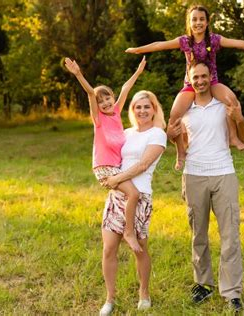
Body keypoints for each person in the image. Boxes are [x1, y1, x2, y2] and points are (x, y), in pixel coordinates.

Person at [126, 4, 244, 170]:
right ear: (189, 22)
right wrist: (138, 50)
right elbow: (159, 44)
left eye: (201, 19)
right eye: (194, 19)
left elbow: (238, 43)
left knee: (231, 99)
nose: (198, 22)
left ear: (207, 22)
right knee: (175, 115)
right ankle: (181, 152)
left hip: (211, 82)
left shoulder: (214, 40)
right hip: (190, 84)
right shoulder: (184, 41)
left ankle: (234, 138)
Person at [167, 61, 244, 312]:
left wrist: (239, 118)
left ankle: (232, 292)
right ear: (190, 81)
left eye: (204, 76)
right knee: (198, 234)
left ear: (210, 76)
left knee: (230, 235)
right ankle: (202, 284)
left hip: (224, 174)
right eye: (195, 78)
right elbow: (180, 143)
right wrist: (172, 138)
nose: (200, 81)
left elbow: (241, 138)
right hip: (194, 176)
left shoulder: (223, 105)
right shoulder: (185, 110)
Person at [64, 57, 147, 253]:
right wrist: (78, 74)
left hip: (117, 167)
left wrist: (138, 72)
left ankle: (119, 227)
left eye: (108, 97)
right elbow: (91, 94)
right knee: (133, 193)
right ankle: (128, 232)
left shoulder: (117, 112)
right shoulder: (98, 119)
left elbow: (126, 87)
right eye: (101, 101)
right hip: (104, 167)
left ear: (113, 97)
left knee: (131, 196)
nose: (105, 102)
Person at [98, 90, 167, 315]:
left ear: (154, 109)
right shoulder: (125, 133)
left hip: (140, 196)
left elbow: (143, 165)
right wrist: (105, 176)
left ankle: (144, 293)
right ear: (132, 110)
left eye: (147, 107)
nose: (142, 111)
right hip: (117, 196)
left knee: (140, 250)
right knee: (109, 249)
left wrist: (116, 178)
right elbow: (108, 153)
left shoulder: (157, 134)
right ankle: (109, 299)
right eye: (138, 107)